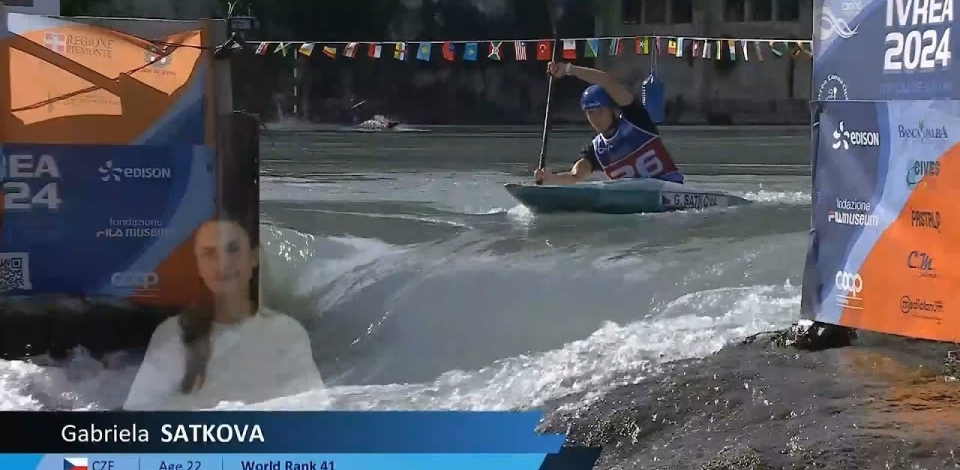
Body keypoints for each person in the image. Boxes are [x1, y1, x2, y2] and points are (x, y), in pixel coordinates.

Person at [123, 215, 323, 410]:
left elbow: (312, 411)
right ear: (198, 266)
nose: (223, 263)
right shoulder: (173, 333)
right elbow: (140, 415)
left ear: (253, 257)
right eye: (209, 253)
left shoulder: (287, 333)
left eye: (232, 249)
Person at [534, 62, 684, 185]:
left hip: (671, 186)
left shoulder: (636, 119)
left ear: (612, 110)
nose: (596, 118)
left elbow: (606, 81)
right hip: (637, 204)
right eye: (590, 113)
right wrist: (550, 178)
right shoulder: (597, 150)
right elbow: (575, 176)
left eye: (600, 111)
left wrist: (568, 69)